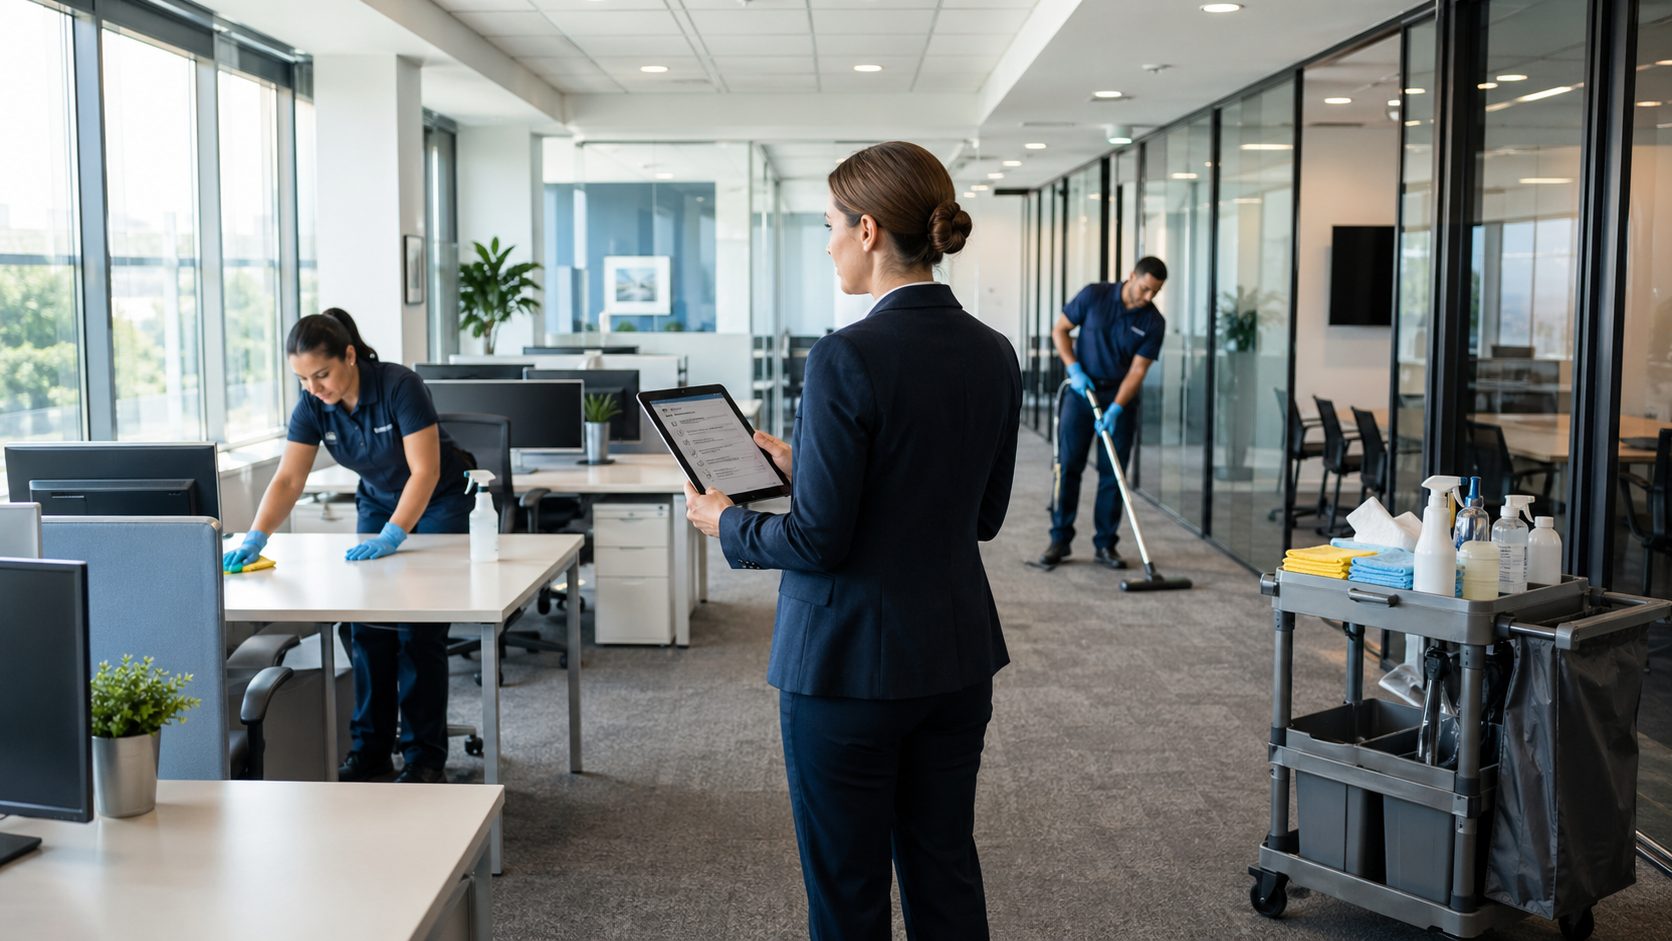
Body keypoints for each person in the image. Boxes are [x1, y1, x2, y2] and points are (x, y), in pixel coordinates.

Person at [685, 141, 1020, 940]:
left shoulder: (845, 355)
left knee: (848, 891)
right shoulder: (995, 352)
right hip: (954, 658)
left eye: (830, 223)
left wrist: (726, 521)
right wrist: (811, 463)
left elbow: (818, 540)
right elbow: (979, 513)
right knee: (944, 868)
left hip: (845, 669)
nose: (827, 240)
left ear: (868, 231)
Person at [222, 308, 474, 784]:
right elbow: (289, 478)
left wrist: (396, 534)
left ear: (350, 356)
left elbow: (427, 470)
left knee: (417, 630)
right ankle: (370, 750)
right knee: (366, 627)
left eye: (322, 374)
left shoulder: (400, 387)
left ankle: (423, 758)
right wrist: (256, 535)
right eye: (302, 379)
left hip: (439, 504)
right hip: (379, 504)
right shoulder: (314, 405)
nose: (315, 388)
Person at [1035, 257, 1168, 571]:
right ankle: (1059, 539)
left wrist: (1116, 408)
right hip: (1082, 391)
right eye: (1146, 288)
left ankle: (1106, 545)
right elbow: (1060, 330)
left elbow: (1137, 371)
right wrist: (1074, 369)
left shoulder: (1153, 322)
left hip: (1120, 396)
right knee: (1068, 466)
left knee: (1114, 475)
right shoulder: (1094, 295)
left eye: (1155, 292)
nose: (1148, 297)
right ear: (1132, 275)